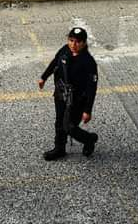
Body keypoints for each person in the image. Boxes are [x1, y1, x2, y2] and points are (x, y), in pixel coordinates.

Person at [37, 26, 99, 160]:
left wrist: (88, 110)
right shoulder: (65, 50)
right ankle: (59, 149)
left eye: (77, 41)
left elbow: (92, 88)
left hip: (77, 100)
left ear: (83, 43)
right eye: (71, 40)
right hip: (60, 94)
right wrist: (44, 77)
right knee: (59, 122)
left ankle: (89, 139)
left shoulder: (88, 62)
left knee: (69, 127)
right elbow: (55, 63)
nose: (73, 44)